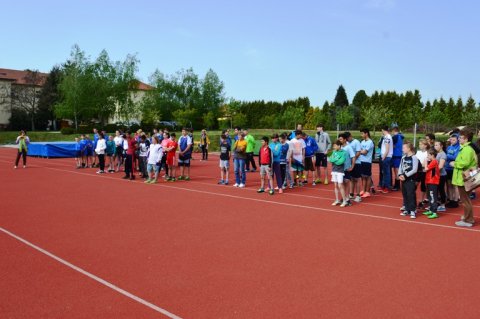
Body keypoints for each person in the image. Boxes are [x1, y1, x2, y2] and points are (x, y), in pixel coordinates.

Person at [451, 130, 477, 227]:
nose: (459, 139)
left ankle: (468, 220)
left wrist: (455, 164)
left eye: (461, 137)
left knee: (465, 200)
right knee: (466, 199)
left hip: (463, 178)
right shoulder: (465, 148)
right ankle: (467, 217)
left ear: (466, 139)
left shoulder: (467, 149)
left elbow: (465, 162)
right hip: (462, 177)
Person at [399, 142, 419, 219]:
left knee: (411, 194)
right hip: (403, 179)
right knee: (405, 194)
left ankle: (413, 210)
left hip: (410, 179)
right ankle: (407, 209)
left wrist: (405, 176)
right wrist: (400, 174)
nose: (402, 149)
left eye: (404, 148)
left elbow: (414, 169)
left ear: (409, 149)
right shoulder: (403, 157)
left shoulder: (414, 158)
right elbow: (400, 167)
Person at [328, 140, 349, 207]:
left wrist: (335, 160)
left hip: (340, 171)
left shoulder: (344, 152)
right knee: (335, 186)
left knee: (340, 185)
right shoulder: (333, 152)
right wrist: (336, 159)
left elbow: (341, 162)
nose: (333, 147)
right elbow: (330, 160)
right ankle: (337, 200)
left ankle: (344, 201)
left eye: (335, 146)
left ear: (339, 146)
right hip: (334, 170)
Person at [422, 149, 440, 219]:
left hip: (433, 182)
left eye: (428, 155)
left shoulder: (434, 161)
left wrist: (426, 162)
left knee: (433, 197)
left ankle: (434, 212)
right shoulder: (431, 161)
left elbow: (426, 168)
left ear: (432, 155)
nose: (427, 156)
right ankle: (431, 209)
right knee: (429, 196)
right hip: (429, 181)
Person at [339, 133, 355, 205]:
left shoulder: (349, 147)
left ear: (345, 140)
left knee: (347, 183)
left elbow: (353, 157)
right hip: (340, 169)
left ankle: (347, 198)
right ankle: (344, 197)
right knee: (341, 183)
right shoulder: (339, 147)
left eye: (341, 139)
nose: (339, 140)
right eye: (339, 139)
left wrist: (352, 166)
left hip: (346, 168)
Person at [345, 132, 362, 202]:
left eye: (348, 138)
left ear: (350, 136)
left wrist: (353, 159)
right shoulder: (347, 143)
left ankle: (358, 195)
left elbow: (358, 152)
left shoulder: (356, 142)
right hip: (350, 163)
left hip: (357, 163)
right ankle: (351, 194)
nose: (347, 140)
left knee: (357, 179)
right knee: (351, 179)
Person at [445, 133, 461, 208]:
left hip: (454, 169)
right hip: (447, 168)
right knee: (449, 185)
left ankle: (455, 200)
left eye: (454, 140)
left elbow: (456, 157)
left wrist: (447, 156)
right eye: (451, 139)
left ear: (457, 140)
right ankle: (451, 199)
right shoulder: (449, 147)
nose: (452, 141)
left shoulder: (459, 147)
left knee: (455, 185)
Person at [359, 129, 374, 198]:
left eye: (362, 133)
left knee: (367, 177)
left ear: (366, 134)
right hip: (361, 161)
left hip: (367, 161)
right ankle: (363, 190)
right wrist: (360, 151)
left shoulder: (370, 142)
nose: (361, 135)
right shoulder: (362, 142)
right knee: (362, 176)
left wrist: (360, 151)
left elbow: (365, 152)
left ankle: (367, 191)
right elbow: (360, 150)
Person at [416, 139, 430, 209]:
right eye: (419, 144)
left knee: (423, 186)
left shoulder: (427, 153)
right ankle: (413, 200)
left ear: (425, 145)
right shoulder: (418, 152)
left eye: (421, 144)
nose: (419, 145)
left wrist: (421, 165)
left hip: (424, 171)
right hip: (417, 171)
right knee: (415, 185)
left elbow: (425, 163)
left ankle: (421, 201)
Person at [434, 141, 447, 211]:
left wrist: (433, 171)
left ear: (441, 146)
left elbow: (440, 166)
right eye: (435, 145)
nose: (435, 146)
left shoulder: (443, 155)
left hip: (441, 175)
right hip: (437, 175)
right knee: (437, 190)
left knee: (441, 189)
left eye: (436, 145)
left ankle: (443, 205)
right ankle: (438, 203)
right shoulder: (437, 154)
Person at [379, 126, 393, 193]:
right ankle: (385, 186)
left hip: (386, 157)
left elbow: (387, 149)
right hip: (387, 156)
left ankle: (386, 187)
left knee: (386, 173)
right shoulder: (388, 136)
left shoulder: (387, 137)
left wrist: (383, 157)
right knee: (385, 172)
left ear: (383, 130)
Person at [391, 127, 404, 191]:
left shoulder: (395, 137)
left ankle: (397, 185)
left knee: (396, 171)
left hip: (396, 155)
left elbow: (392, 145)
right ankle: (397, 184)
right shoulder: (401, 136)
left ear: (394, 130)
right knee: (397, 170)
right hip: (399, 154)